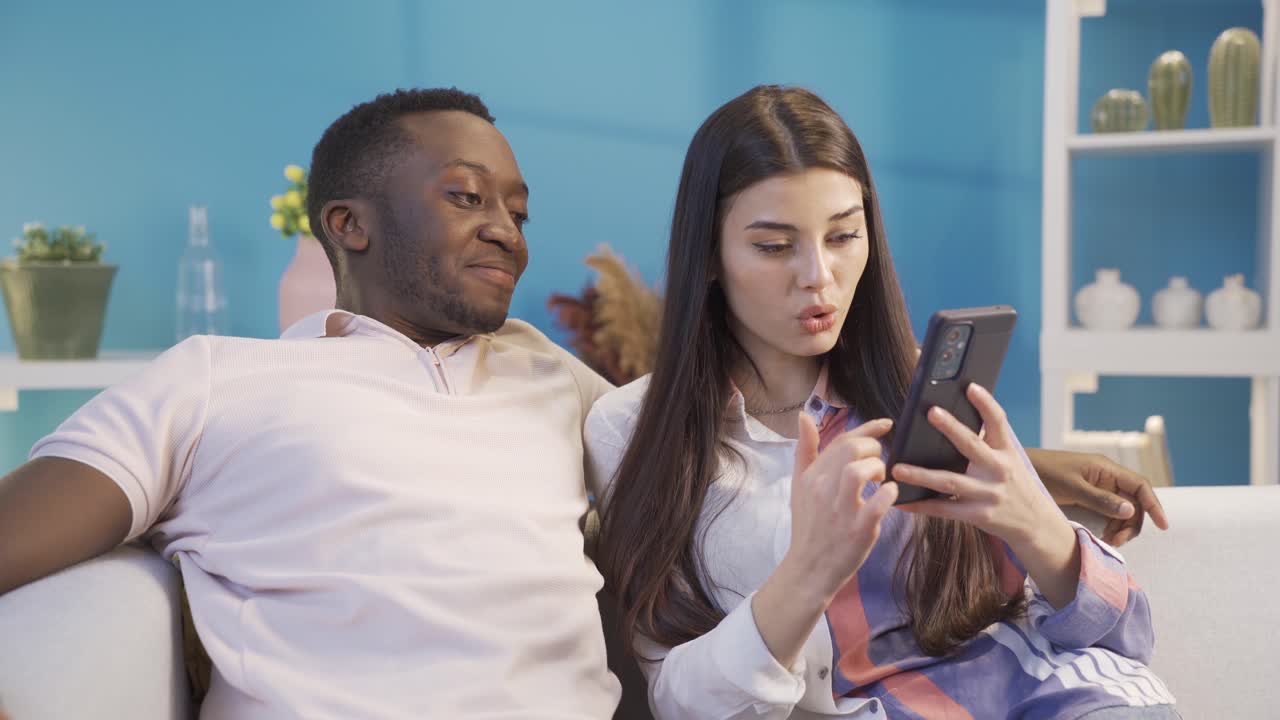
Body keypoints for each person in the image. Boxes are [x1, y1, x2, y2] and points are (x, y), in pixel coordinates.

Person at [0, 86, 1165, 719]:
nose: (507, 224)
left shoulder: (554, 385)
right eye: (464, 197)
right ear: (343, 225)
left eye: (515, 200)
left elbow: (747, 431)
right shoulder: (216, 379)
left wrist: (1027, 475)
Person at [586, 85, 1179, 719]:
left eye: (843, 236)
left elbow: (1128, 639)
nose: (818, 275)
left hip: (1052, 694)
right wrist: (809, 570)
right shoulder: (633, 430)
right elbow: (679, 701)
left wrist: (1037, 524)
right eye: (774, 246)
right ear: (708, 254)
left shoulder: (919, 390)